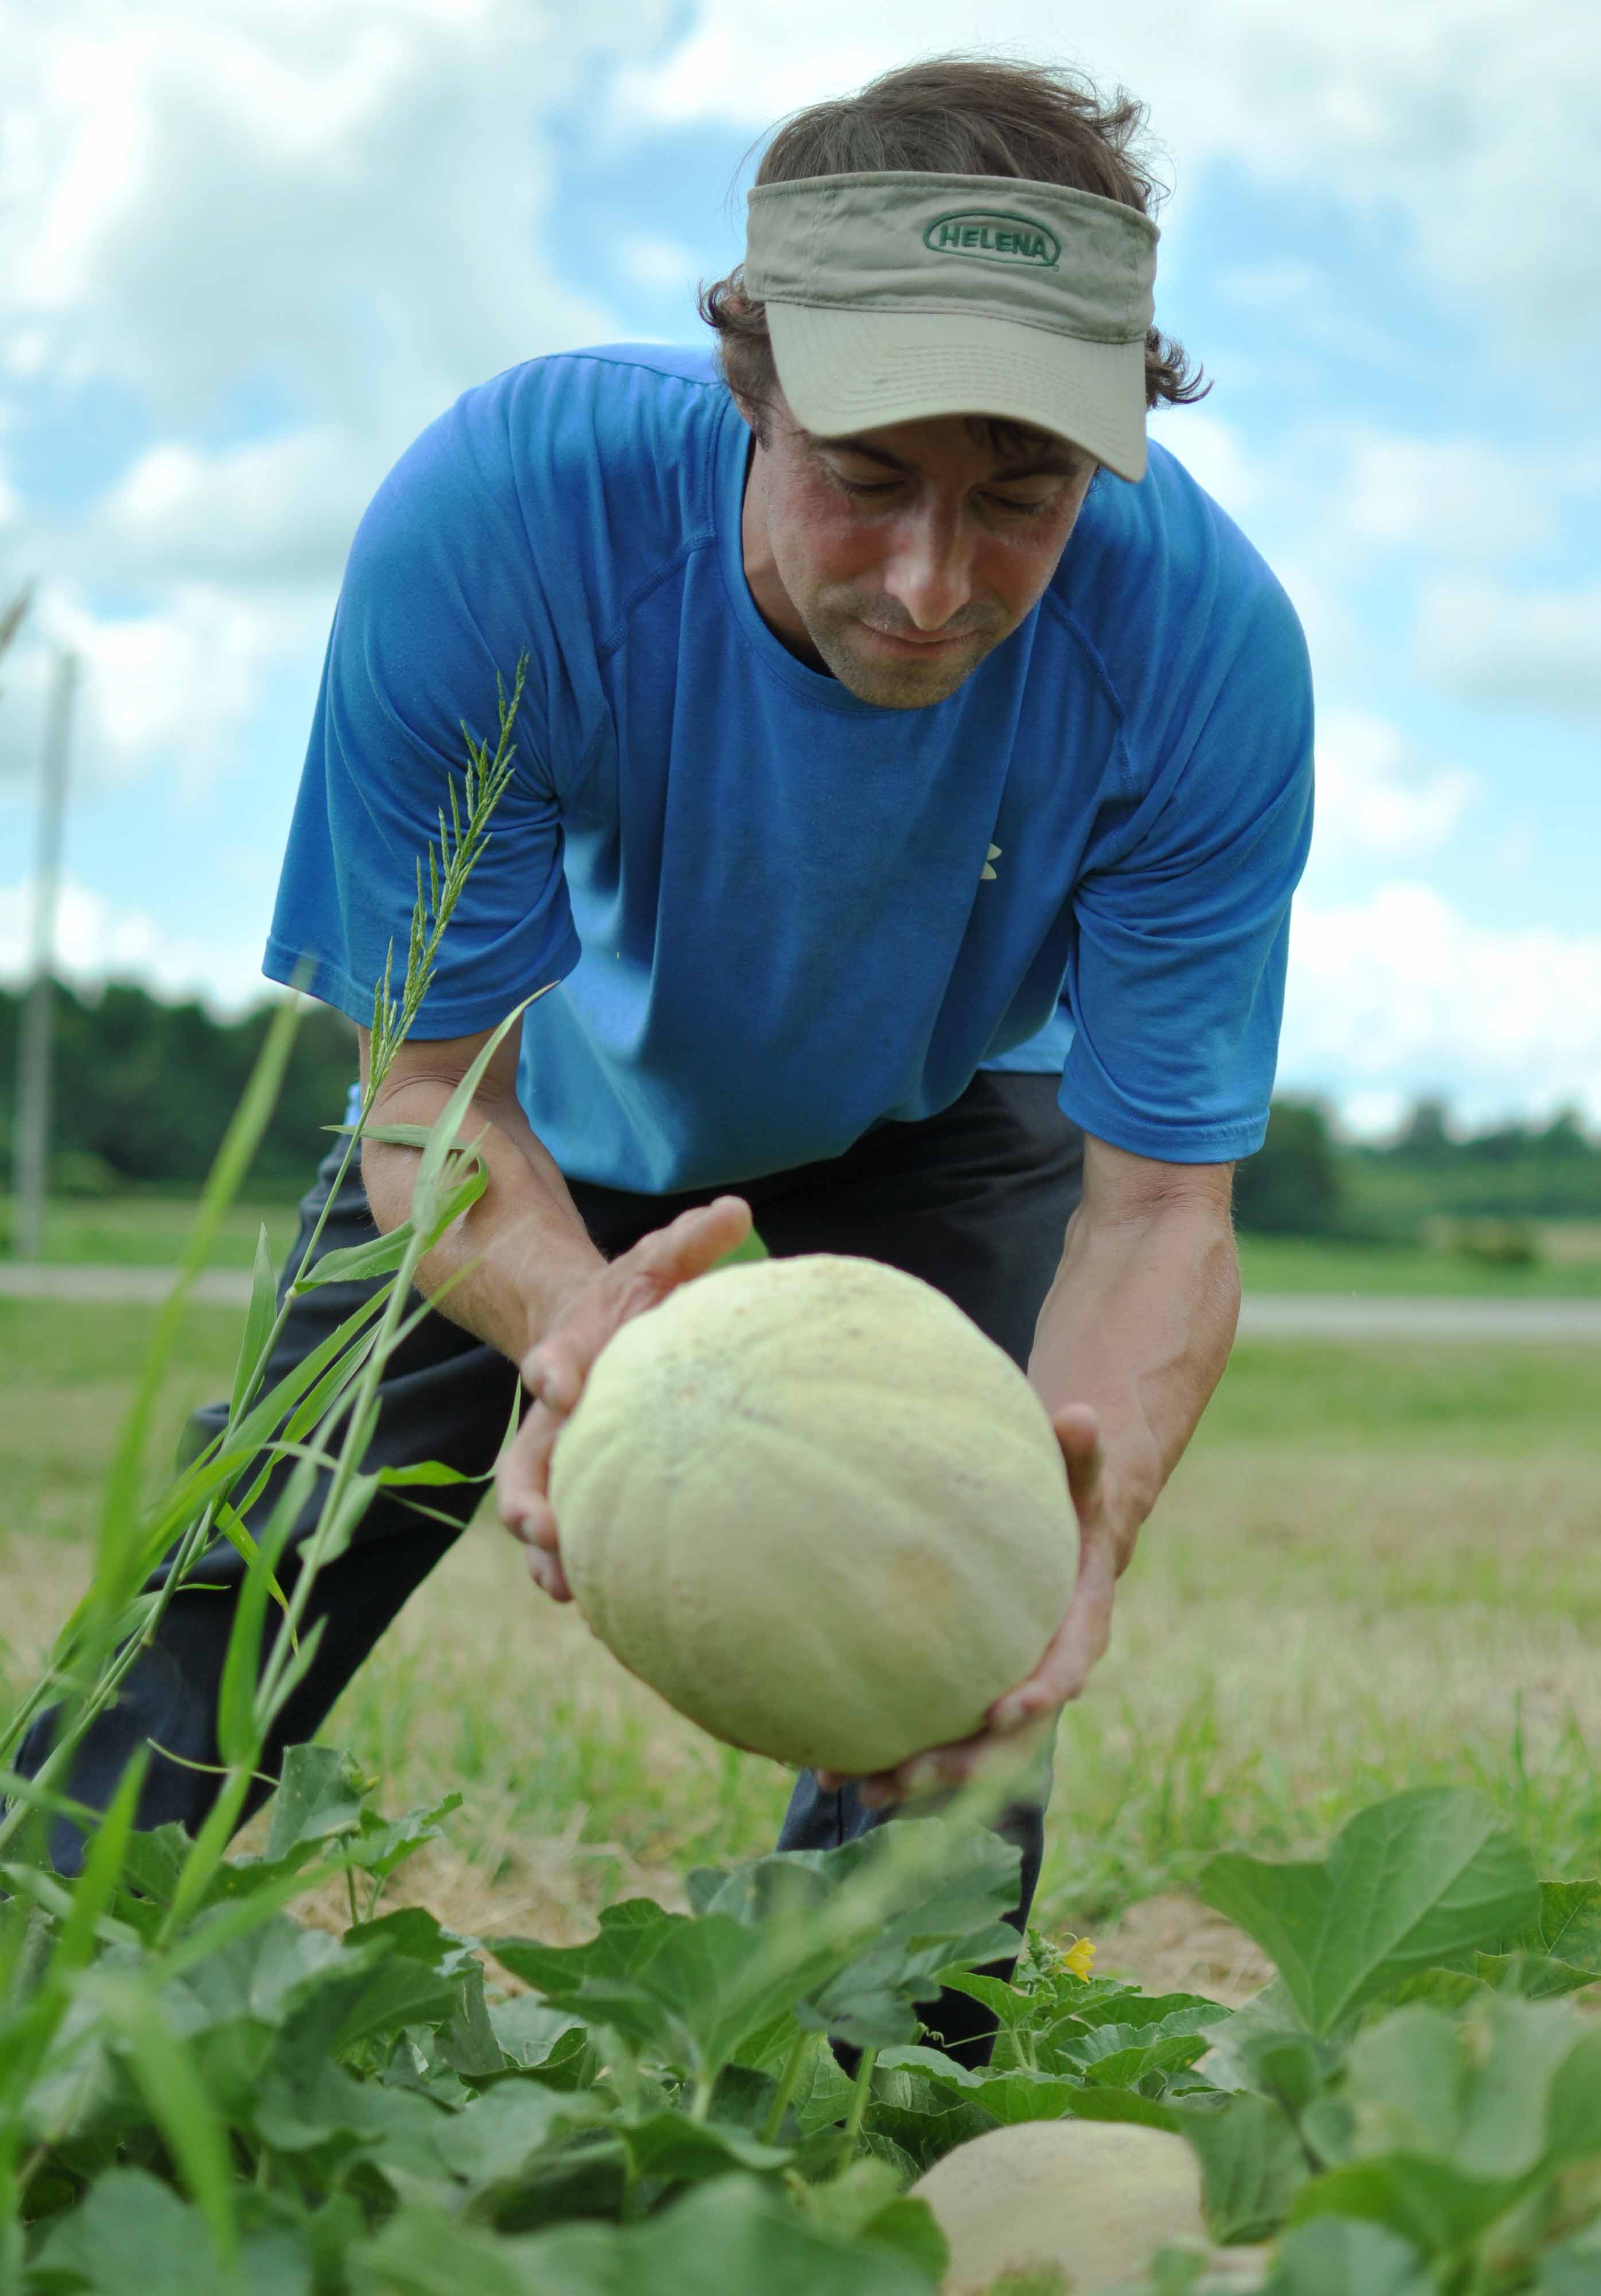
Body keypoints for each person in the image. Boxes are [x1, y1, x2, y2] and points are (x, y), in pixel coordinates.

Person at [17, 54, 1313, 2065]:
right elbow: (433, 1098)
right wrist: (572, 1313)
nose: (931, 581)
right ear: (751, 385)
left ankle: (856, 2132)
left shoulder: (1205, 654)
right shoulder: (509, 519)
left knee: (959, 1653)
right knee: (248, 1563)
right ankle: (31, 1976)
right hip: (543, 1124)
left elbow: (1157, 1211)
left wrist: (1073, 1516)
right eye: (867, 473)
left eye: (1024, 496)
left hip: (943, 1107)